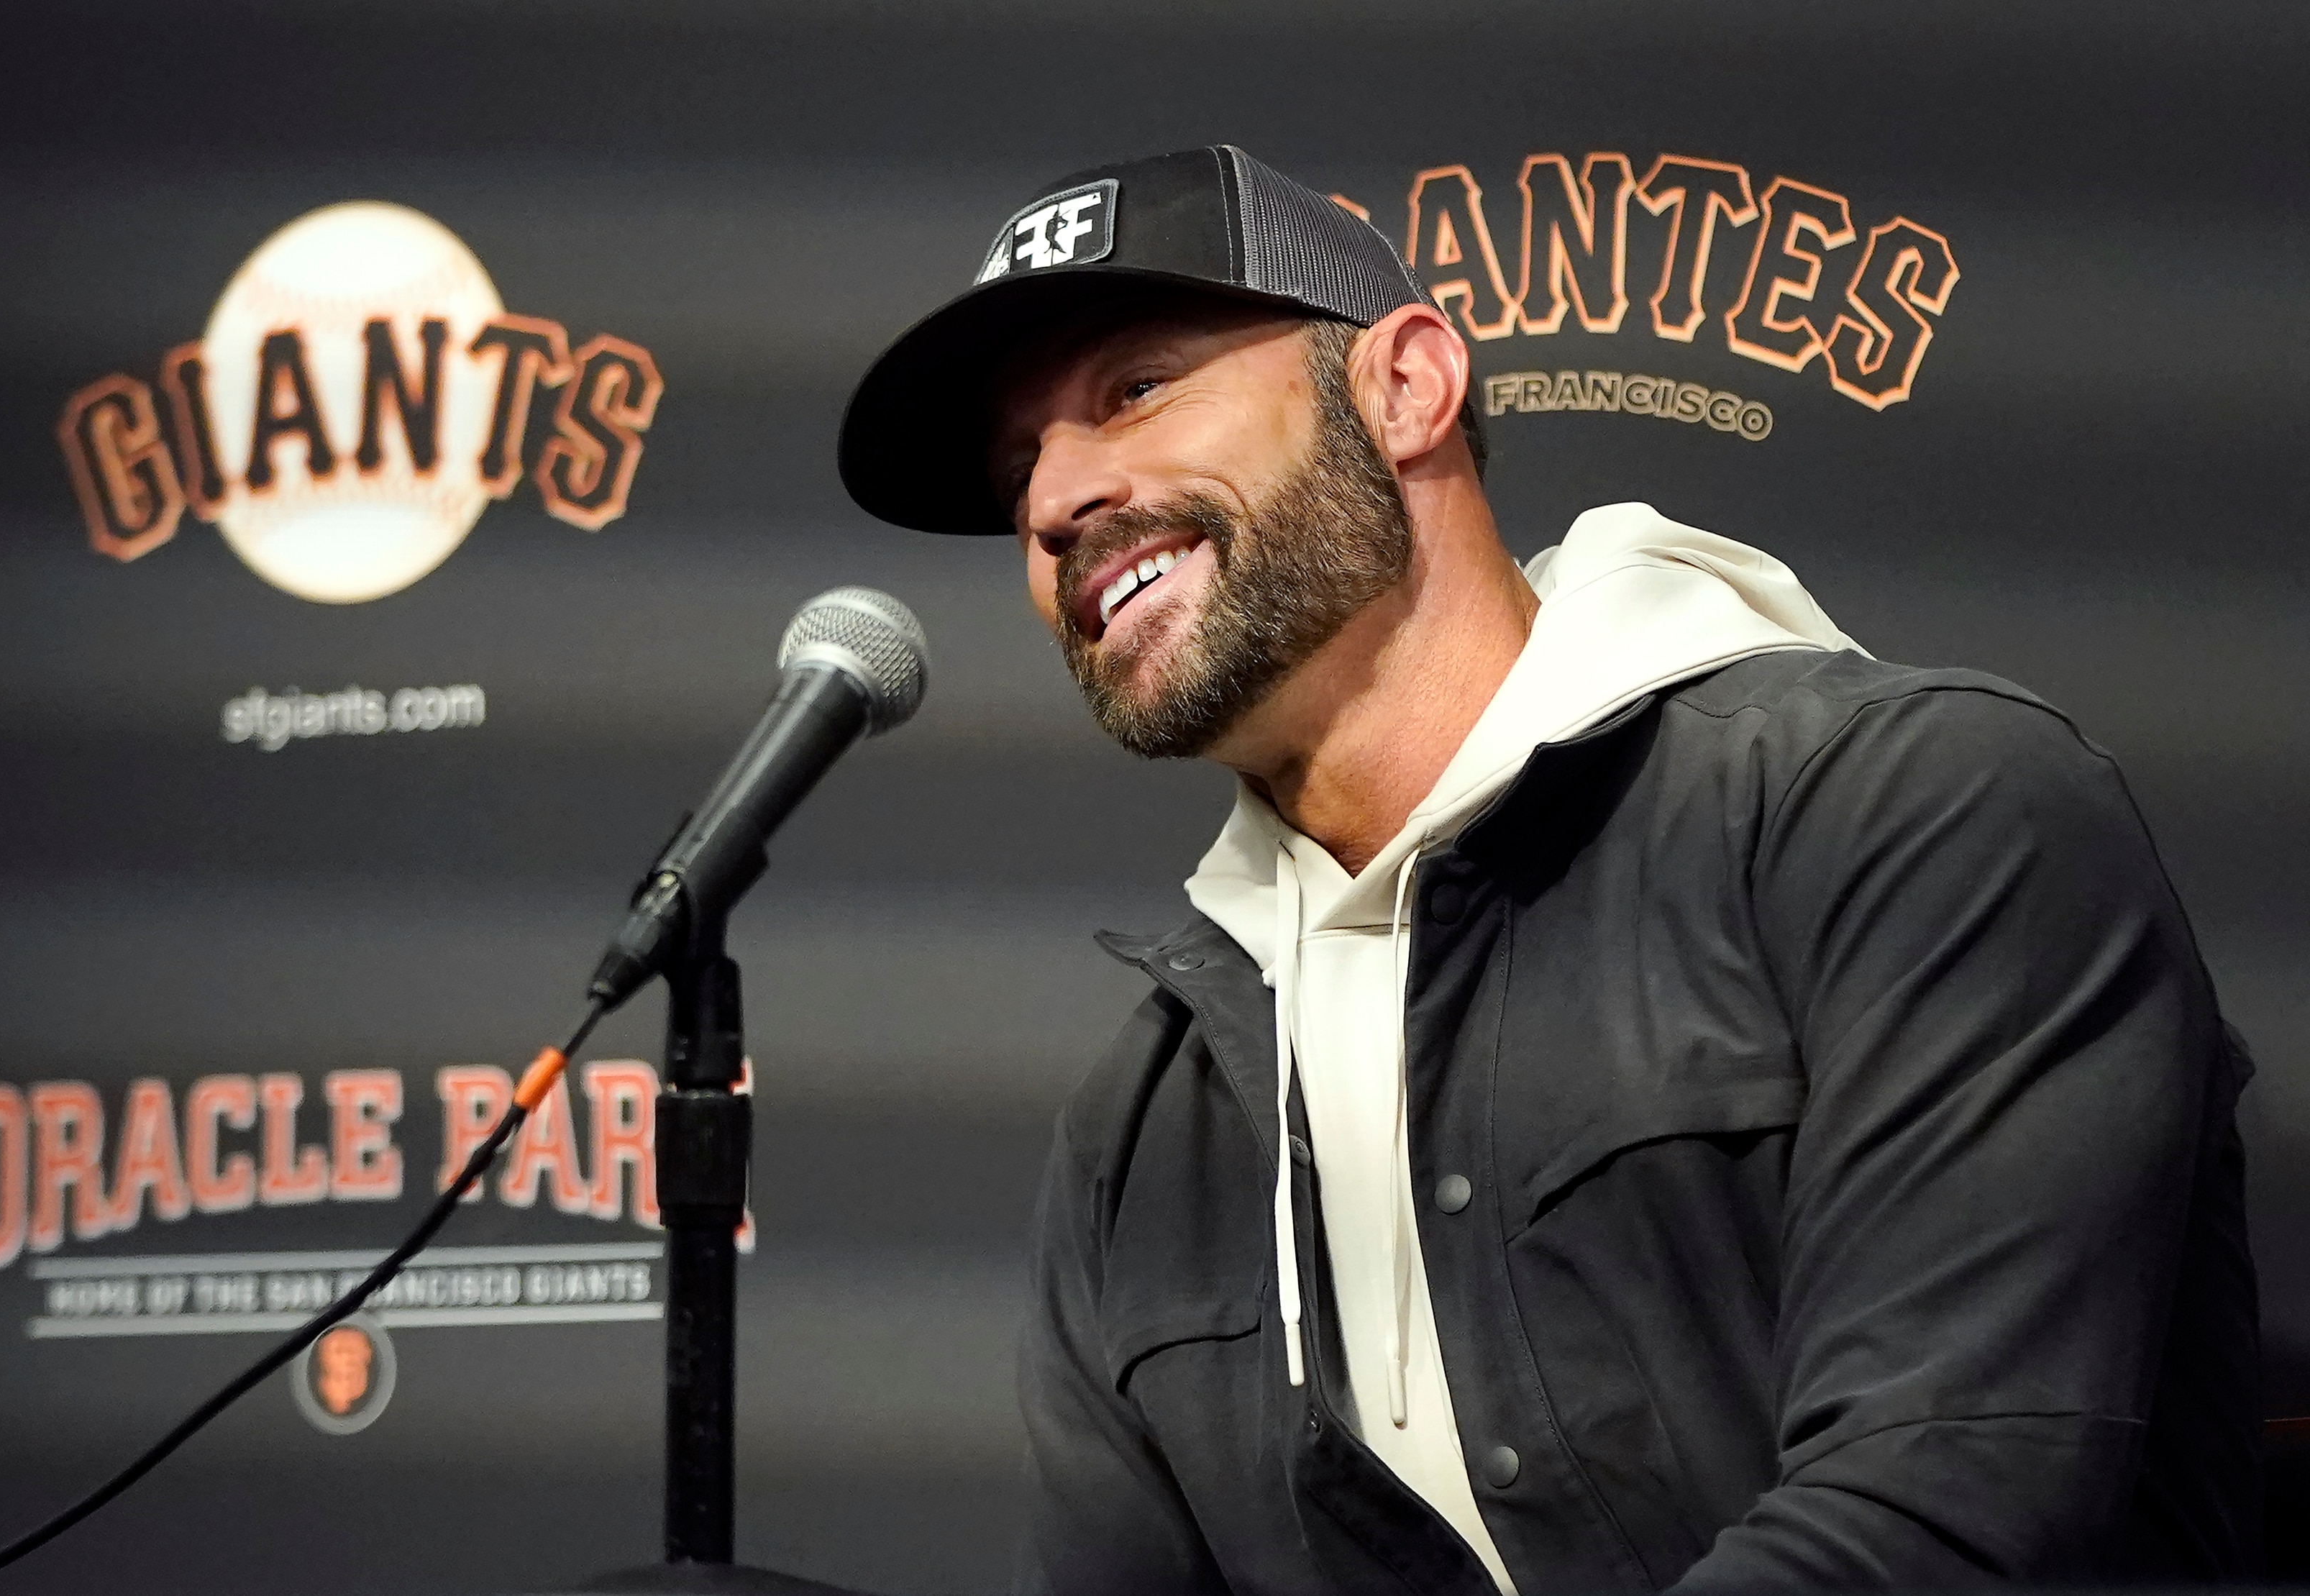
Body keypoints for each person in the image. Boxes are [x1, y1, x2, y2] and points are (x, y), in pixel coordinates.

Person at [836, 146, 2262, 1592]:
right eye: (1020, 464)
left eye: (1134, 388)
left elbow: (1943, 1519)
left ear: (1402, 388)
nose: (1051, 501)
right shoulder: (1143, 1137)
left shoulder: (1917, 811)